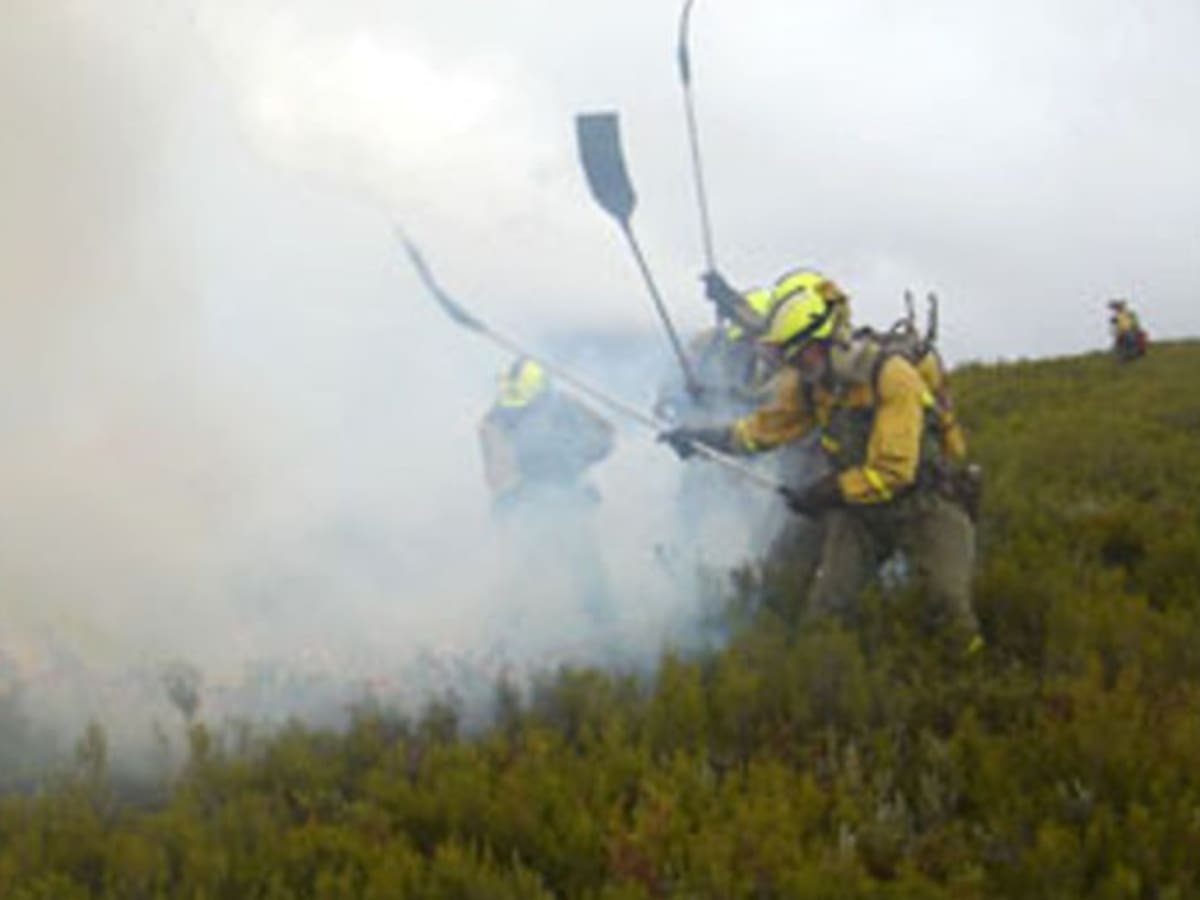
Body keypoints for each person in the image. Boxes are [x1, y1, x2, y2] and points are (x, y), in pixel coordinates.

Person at [659, 278, 982, 654]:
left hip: (925, 507)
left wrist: (826, 491)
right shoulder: (811, 384)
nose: (796, 367)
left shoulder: (892, 376)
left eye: (800, 357)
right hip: (860, 516)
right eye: (791, 360)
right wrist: (703, 438)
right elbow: (763, 431)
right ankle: (822, 680)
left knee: (948, 607)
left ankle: (972, 676)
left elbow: (894, 473)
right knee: (825, 615)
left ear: (824, 342)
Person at [478, 357, 616, 622]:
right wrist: (507, 494)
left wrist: (575, 456)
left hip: (569, 495)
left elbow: (605, 437)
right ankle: (506, 632)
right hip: (526, 501)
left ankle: (605, 626)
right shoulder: (496, 417)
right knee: (519, 573)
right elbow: (495, 466)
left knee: (586, 568)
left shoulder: (565, 406)